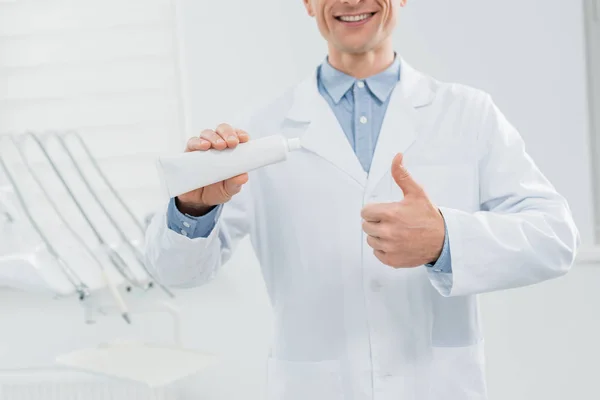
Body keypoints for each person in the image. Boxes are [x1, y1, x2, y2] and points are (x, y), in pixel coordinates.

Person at [144, 0, 580, 399]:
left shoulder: (469, 113)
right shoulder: (257, 130)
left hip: (437, 384)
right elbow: (176, 272)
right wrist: (193, 210)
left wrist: (446, 240)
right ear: (308, 3)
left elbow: (555, 237)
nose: (352, 1)